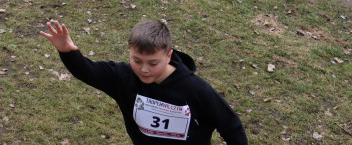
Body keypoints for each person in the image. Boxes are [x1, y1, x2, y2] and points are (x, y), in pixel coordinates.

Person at [40, 18, 248, 145]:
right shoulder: (123, 77)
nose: (144, 69)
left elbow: (230, 125)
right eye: (137, 60)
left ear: (169, 56)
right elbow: (88, 71)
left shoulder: (196, 89)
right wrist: (67, 51)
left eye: (153, 62)